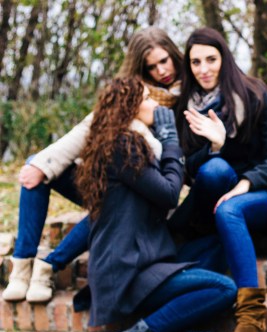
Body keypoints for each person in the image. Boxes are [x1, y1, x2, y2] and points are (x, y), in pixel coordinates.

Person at [2, 27, 192, 303]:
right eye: (151, 66)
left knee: (116, 200)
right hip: (116, 183)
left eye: (165, 60)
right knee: (37, 165)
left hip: (150, 194)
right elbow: (90, 127)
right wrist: (44, 164)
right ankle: (21, 264)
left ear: (174, 54)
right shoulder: (131, 93)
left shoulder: (187, 95)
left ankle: (49, 267)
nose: (161, 70)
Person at [172, 27, 267, 332]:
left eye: (211, 59)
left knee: (229, 209)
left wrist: (247, 183)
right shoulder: (186, 108)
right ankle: (185, 311)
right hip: (217, 194)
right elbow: (189, 170)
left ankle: (252, 318)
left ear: (224, 58)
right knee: (215, 176)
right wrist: (215, 145)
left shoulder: (254, 94)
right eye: (196, 62)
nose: (204, 69)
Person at [74, 76, 236, 332]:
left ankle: (178, 321)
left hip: (147, 258)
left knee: (216, 244)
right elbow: (169, 193)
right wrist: (171, 140)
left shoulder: (133, 143)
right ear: (129, 108)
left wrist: (214, 146)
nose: (154, 104)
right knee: (224, 288)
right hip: (127, 272)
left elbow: (171, 180)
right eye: (147, 99)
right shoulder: (122, 146)